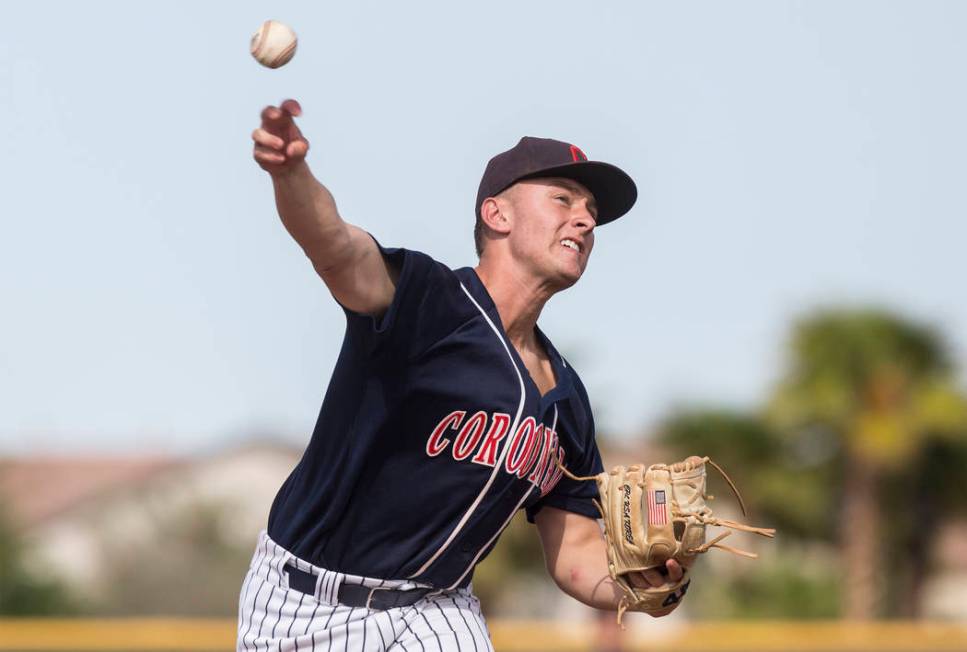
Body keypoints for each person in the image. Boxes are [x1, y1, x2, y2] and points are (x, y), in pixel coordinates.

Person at [236, 99, 685, 652]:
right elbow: (333, 246)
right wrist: (291, 174)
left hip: (438, 607)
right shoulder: (429, 303)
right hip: (308, 605)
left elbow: (572, 550)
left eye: (591, 209)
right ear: (497, 215)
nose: (586, 219)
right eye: (563, 199)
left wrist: (639, 583)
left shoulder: (567, 399)